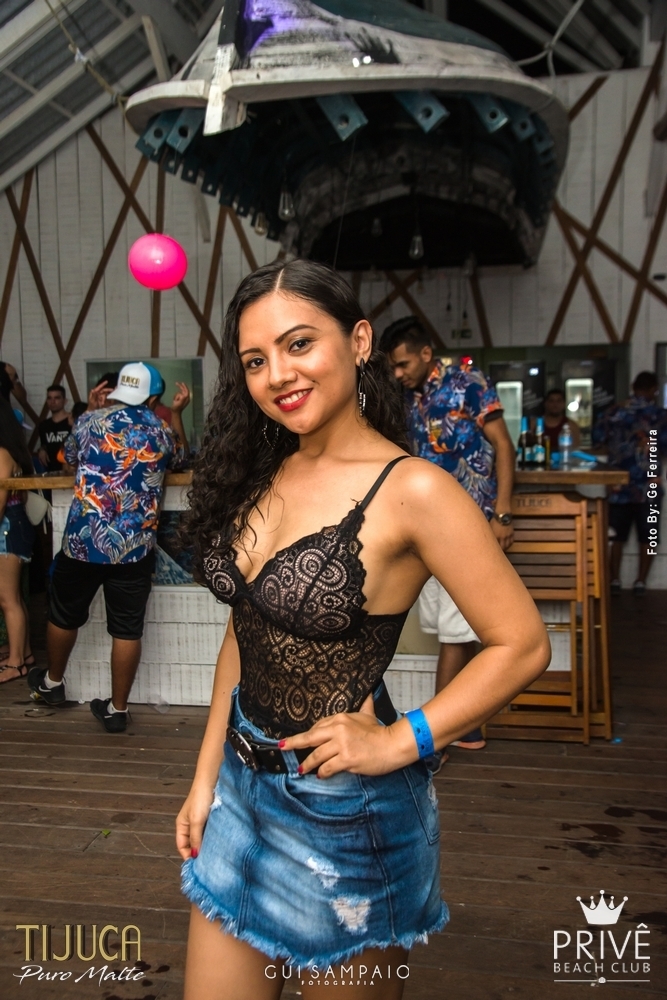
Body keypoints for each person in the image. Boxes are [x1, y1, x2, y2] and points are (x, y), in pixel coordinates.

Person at [176, 261, 549, 1000]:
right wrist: (204, 778)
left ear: (358, 341)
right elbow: (244, 637)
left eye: (298, 344)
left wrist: (399, 740)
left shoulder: (414, 489)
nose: (278, 374)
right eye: (255, 360)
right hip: (238, 797)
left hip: (346, 819)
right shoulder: (263, 472)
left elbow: (522, 644)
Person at [28, 362, 190, 730]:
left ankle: (52, 683)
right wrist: (178, 413)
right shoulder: (161, 430)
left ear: (118, 391)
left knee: (63, 614)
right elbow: (181, 461)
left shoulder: (89, 421)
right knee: (126, 629)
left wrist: (90, 409)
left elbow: (68, 460)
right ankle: (117, 711)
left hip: (83, 543)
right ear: (152, 398)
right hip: (134, 548)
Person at [381, 317, 516, 753]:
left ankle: (436, 737)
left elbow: (504, 446)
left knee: (456, 633)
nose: (398, 373)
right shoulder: (407, 398)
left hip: (470, 527)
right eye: (393, 367)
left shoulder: (468, 384)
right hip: (425, 530)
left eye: (403, 364)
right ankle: (464, 727)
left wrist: (503, 514)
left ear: (426, 353)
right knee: (452, 628)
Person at [593, 371, 667, 594]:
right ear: (654, 389)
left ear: (633, 386)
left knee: (615, 535)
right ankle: (641, 582)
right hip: (649, 484)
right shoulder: (660, 415)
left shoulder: (614, 412)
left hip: (618, 484)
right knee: (649, 536)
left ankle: (614, 580)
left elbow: (597, 439)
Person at [0, 398, 36, 683]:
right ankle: (23, 653)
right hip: (15, 524)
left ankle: (16, 664)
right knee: (14, 596)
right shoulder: (14, 452)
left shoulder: (1, 454)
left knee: (7, 599)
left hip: (7, 526)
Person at [37, 384, 71, 472]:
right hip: (51, 472)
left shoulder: (72, 422)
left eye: (57, 398)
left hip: (70, 471)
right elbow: (44, 445)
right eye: (49, 398)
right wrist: (41, 450)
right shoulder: (44, 425)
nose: (52, 401)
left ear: (65, 401)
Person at [542, 388, 581, 454]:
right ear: (546, 404)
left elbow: (576, 450)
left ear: (564, 404)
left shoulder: (572, 426)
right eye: (551, 401)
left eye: (559, 401)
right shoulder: (535, 424)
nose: (555, 404)